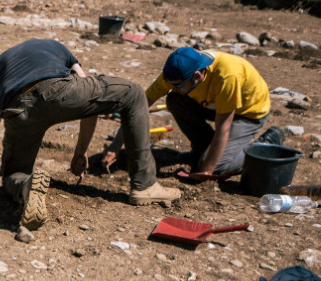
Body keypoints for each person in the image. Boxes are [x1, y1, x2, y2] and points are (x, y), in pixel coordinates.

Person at [0, 39, 182, 243]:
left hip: (18, 107)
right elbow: (89, 101)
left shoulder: (1, 63)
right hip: (58, 90)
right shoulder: (58, 48)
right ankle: (144, 184)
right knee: (134, 93)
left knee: (13, 174)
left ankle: (25, 187)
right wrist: (81, 151)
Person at [104, 47, 279, 181]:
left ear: (197, 76)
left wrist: (207, 171)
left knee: (217, 167)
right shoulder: (176, 74)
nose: (171, 88)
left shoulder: (227, 76)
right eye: (169, 83)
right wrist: (115, 147)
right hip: (215, 105)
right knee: (174, 100)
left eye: (177, 85)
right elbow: (137, 108)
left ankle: (264, 145)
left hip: (248, 113)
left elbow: (223, 128)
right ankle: (202, 149)